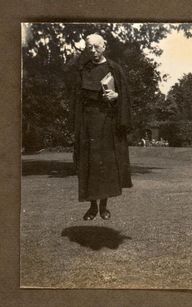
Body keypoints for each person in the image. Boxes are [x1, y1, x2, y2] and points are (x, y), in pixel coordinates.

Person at [70, 33, 132, 220]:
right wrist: (77, 126)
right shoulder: (83, 70)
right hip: (87, 125)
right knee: (89, 164)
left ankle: (104, 207)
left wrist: (116, 96)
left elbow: (126, 97)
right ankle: (92, 207)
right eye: (90, 47)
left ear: (104, 46)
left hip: (108, 124)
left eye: (97, 47)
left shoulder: (114, 69)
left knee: (105, 165)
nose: (93, 50)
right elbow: (76, 99)